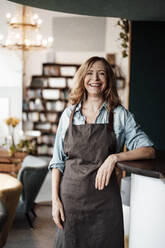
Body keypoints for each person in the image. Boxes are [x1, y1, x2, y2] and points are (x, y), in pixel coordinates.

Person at [49, 56, 155, 248]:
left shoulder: (120, 115)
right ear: (82, 78)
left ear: (108, 79)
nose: (95, 78)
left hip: (105, 203)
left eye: (101, 73)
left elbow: (148, 150)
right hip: (71, 201)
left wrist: (115, 157)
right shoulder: (68, 115)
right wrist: (55, 201)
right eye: (89, 73)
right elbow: (57, 162)